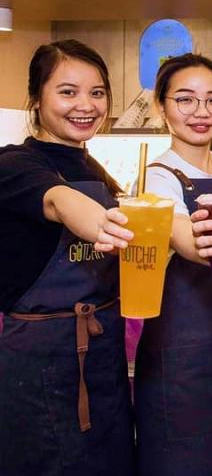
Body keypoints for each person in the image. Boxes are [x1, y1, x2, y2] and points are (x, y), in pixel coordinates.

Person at [0, 40, 135, 475]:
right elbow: (58, 201)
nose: (86, 105)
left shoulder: (97, 170)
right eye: (68, 91)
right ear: (37, 99)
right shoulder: (15, 163)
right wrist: (101, 224)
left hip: (102, 351)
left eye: (97, 93)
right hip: (40, 361)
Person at [133, 54, 212, 475]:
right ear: (161, 105)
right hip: (181, 355)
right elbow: (182, 234)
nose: (201, 112)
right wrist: (202, 240)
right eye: (185, 100)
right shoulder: (157, 176)